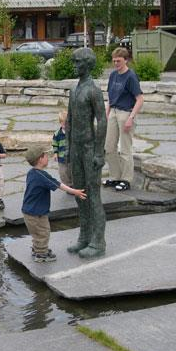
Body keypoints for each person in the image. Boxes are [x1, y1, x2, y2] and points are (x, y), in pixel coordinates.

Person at [66, 47, 108, 258]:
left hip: (90, 148)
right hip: (76, 148)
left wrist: (99, 152)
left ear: (88, 64)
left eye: (78, 63)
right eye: (74, 62)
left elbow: (102, 120)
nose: (74, 66)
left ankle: (98, 242)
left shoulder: (94, 89)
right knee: (79, 194)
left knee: (93, 196)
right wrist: (67, 146)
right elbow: (69, 120)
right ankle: (84, 236)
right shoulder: (74, 90)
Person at [22, 145, 86, 263]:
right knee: (43, 232)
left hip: (29, 211)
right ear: (40, 159)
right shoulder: (42, 176)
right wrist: (75, 191)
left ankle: (37, 249)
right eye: (46, 155)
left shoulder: (32, 173)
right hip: (36, 213)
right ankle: (41, 254)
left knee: (37, 233)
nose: (48, 157)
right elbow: (59, 185)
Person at [104, 47, 144, 192]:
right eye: (114, 60)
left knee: (125, 149)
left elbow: (140, 99)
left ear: (126, 60)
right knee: (109, 147)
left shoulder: (131, 76)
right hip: (113, 112)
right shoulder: (113, 75)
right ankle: (115, 177)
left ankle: (126, 180)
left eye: (119, 61)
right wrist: (106, 114)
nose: (116, 63)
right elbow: (110, 96)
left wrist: (131, 118)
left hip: (126, 113)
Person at [52, 110, 72, 187]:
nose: (66, 126)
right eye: (64, 124)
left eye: (68, 124)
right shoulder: (57, 134)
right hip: (61, 158)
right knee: (63, 172)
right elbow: (55, 144)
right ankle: (67, 185)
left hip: (71, 157)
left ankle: (73, 184)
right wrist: (55, 153)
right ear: (60, 123)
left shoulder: (72, 132)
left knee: (71, 171)